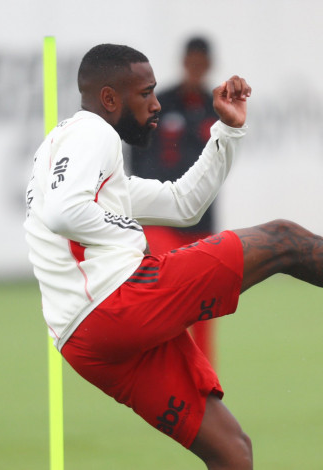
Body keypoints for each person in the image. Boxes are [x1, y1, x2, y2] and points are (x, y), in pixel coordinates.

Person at [24, 43, 323, 470]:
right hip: (116, 305)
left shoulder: (71, 147)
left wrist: (227, 131)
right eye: (145, 94)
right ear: (109, 99)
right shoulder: (94, 133)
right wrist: (132, 238)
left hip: (86, 340)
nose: (156, 104)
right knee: (283, 239)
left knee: (232, 451)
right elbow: (64, 211)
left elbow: (183, 204)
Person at [127, 36, 219, 364]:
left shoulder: (215, 108)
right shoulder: (160, 103)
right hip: (161, 219)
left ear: (208, 66)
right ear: (183, 63)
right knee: (169, 296)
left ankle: (205, 380)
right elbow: (136, 150)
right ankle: (167, 370)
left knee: (206, 308)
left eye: (201, 64)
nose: (195, 69)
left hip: (202, 221)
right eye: (191, 63)